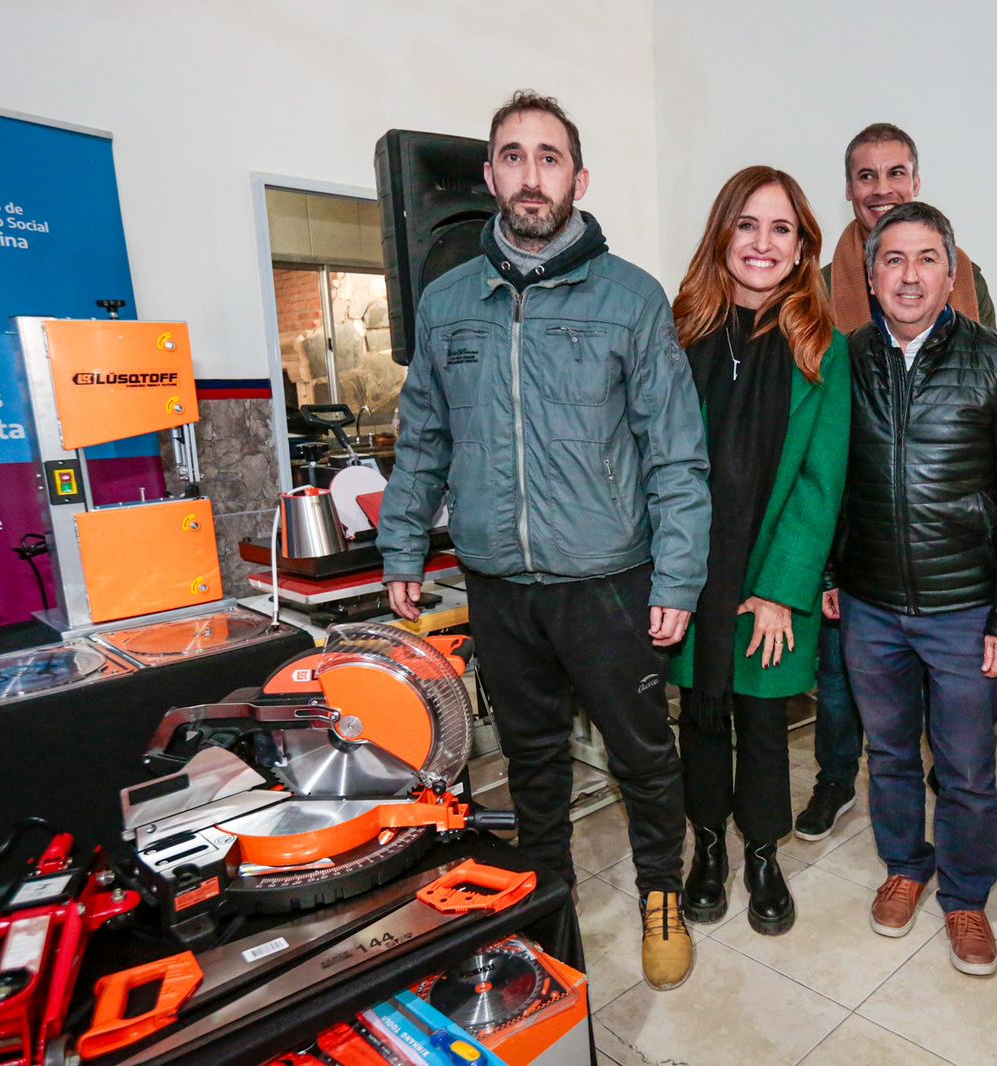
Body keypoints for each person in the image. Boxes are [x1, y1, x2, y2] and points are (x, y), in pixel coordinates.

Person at [377, 91, 711, 992]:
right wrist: (402, 546)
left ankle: (660, 894)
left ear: (578, 177)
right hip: (499, 588)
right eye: (514, 157)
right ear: (490, 177)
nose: (532, 175)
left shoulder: (631, 298)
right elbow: (424, 442)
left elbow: (676, 452)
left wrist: (677, 577)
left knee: (643, 754)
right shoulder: (447, 304)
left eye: (549, 156)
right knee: (530, 763)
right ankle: (548, 903)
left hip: (608, 581)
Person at [830, 201, 997, 976]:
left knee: (965, 765)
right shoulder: (843, 358)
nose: (910, 274)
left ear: (952, 275)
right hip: (869, 606)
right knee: (886, 752)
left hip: (967, 611)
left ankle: (965, 897)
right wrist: (830, 575)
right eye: (893, 259)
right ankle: (905, 865)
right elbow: (825, 480)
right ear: (871, 273)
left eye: (927, 259)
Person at [797, 122, 997, 842]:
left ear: (916, 181)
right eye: (866, 176)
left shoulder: (965, 274)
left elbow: (993, 410)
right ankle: (832, 781)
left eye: (896, 174)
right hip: (852, 526)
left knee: (960, 714)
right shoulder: (818, 285)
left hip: (948, 543)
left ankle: (950, 787)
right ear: (848, 188)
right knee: (841, 680)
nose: (882, 189)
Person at [666, 166, 850, 936]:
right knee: (702, 718)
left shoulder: (822, 345)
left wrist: (780, 589)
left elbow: (821, 480)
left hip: (772, 574)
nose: (763, 243)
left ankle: (764, 856)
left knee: (765, 724)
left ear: (803, 244)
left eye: (781, 228)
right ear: (723, 234)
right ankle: (707, 849)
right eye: (748, 225)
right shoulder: (679, 331)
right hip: (690, 573)